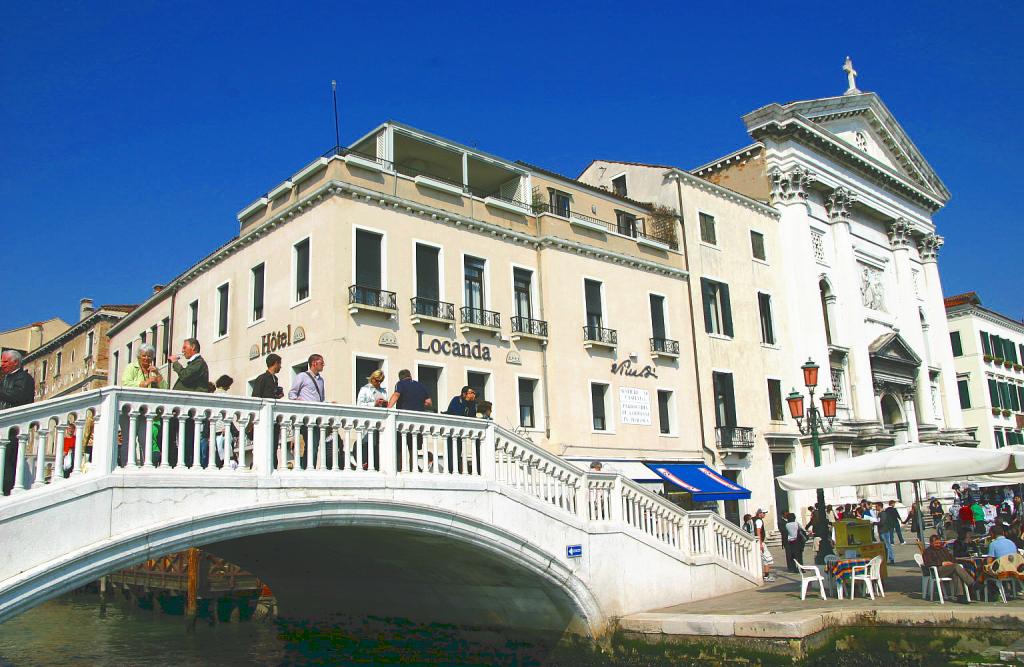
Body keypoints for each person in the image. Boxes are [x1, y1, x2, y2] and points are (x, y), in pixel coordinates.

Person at [168, 338, 210, 467]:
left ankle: (184, 462)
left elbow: (186, 376)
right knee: (172, 436)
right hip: (182, 409)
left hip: (189, 410)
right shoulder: (194, 363)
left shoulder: (199, 363)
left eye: (185, 347)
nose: (182, 350)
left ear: (193, 348)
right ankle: (176, 460)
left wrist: (175, 363)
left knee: (187, 438)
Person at [1, 350, 35, 495]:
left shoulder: (25, 378)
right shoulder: (5, 379)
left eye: (5, 362)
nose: (2, 365)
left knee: (8, 462)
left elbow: (19, 397)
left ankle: (6, 492)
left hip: (14, 429)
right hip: (4, 426)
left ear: (15, 362)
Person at [288, 354, 326, 468]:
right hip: (304, 418)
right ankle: (303, 468)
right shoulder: (302, 376)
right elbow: (292, 393)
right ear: (314, 363)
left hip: (316, 419)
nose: (323, 365)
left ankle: (311, 468)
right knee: (303, 447)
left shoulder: (321, 380)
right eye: (321, 363)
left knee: (314, 447)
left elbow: (321, 398)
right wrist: (297, 400)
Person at [922, 534, 974, 603]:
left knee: (956, 572)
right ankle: (972, 583)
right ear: (931, 543)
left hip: (948, 569)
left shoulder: (943, 549)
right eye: (936, 543)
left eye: (939, 543)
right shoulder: (927, 551)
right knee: (955, 567)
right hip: (937, 570)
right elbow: (928, 563)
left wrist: (951, 562)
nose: (938, 545)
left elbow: (952, 559)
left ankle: (960, 596)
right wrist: (941, 563)